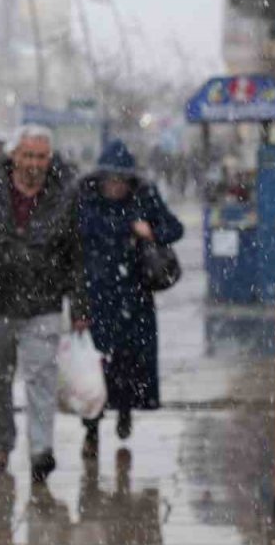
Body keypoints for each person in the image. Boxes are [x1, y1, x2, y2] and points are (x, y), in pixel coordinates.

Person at [0, 124, 84, 483]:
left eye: (41, 156)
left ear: (49, 159)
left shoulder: (63, 197)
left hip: (44, 303)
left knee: (41, 377)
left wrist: (80, 306)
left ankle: (41, 449)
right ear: (14, 156)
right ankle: (3, 441)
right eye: (28, 155)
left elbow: (74, 256)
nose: (34, 164)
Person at [74, 140, 184, 458]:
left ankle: (125, 411)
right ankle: (91, 430)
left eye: (122, 180)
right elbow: (73, 241)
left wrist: (149, 231)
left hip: (134, 296)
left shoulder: (144, 196)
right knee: (93, 369)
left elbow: (174, 228)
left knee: (129, 363)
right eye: (111, 179)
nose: (116, 186)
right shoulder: (85, 200)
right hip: (97, 296)